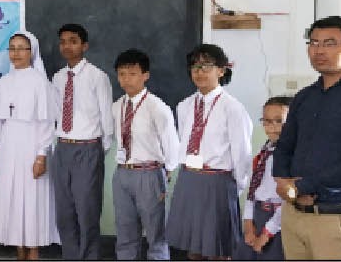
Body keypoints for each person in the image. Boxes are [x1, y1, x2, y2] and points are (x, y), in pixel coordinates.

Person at [273, 15, 341, 260]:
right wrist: (283, 182)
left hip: (335, 218)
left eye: (329, 43)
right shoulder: (304, 96)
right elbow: (284, 146)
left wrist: (300, 186)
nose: (319, 50)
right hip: (294, 215)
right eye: (314, 43)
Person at [166, 43, 253, 260]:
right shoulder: (184, 106)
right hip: (189, 179)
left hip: (218, 182)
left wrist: (236, 188)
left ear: (221, 70)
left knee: (218, 250)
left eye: (206, 66)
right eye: (194, 67)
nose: (199, 72)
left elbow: (242, 154)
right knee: (192, 248)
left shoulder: (233, 108)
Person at [0, 30, 61, 260]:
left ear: (32, 52)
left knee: (33, 195)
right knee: (11, 195)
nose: (16, 53)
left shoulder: (40, 82)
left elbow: (46, 123)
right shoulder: (3, 82)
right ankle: (18, 246)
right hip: (9, 146)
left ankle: (34, 249)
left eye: (21, 48)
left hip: (32, 145)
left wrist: (41, 155)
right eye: (12, 48)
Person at [51, 23, 113, 259]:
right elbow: (56, 114)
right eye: (63, 41)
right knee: (64, 211)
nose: (67, 46)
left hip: (88, 149)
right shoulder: (57, 78)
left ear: (84, 46)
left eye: (73, 41)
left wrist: (98, 150)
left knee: (87, 211)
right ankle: (70, 256)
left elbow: (107, 119)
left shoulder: (98, 77)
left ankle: (89, 257)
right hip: (63, 148)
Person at [110, 49, 179, 260]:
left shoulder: (157, 107)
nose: (126, 79)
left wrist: (165, 175)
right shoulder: (116, 106)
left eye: (132, 73)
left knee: (156, 232)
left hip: (150, 174)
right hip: (122, 174)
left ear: (145, 75)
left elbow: (172, 146)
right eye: (122, 74)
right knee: (124, 231)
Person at [234, 96, 292, 260]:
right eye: (266, 121)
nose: (271, 127)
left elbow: (288, 201)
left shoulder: (294, 155)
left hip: (278, 222)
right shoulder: (266, 150)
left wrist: (266, 233)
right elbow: (254, 187)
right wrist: (248, 222)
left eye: (279, 121)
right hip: (258, 215)